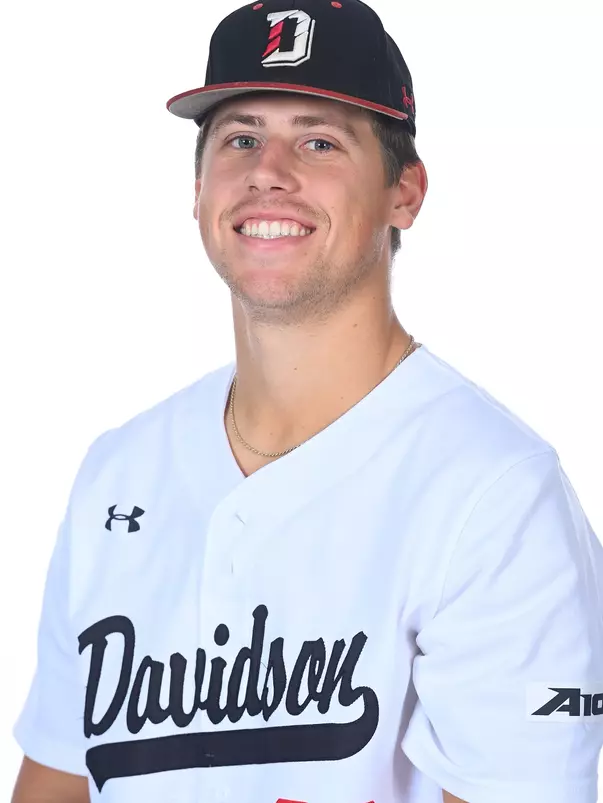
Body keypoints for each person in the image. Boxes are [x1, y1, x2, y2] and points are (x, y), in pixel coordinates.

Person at [11, 0, 603, 801]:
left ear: (405, 192)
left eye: (318, 141)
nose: (269, 171)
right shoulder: (118, 472)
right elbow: (57, 780)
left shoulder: (496, 495)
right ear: (197, 190)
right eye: (241, 138)